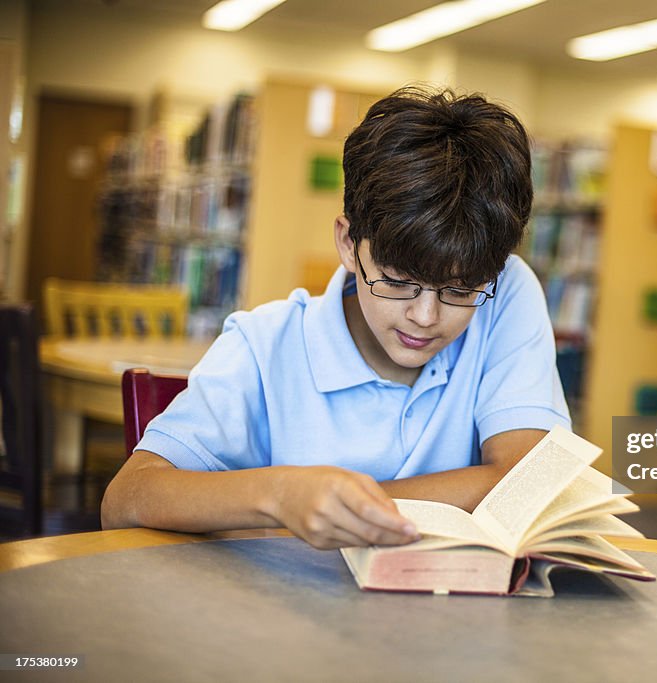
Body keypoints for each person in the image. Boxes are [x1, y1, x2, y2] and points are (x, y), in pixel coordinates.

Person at [101, 86, 570, 550]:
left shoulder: (507, 290)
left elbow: (530, 481)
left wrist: (341, 511)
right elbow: (125, 499)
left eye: (460, 290)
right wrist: (283, 495)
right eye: (397, 281)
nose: (426, 316)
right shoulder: (265, 344)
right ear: (348, 243)